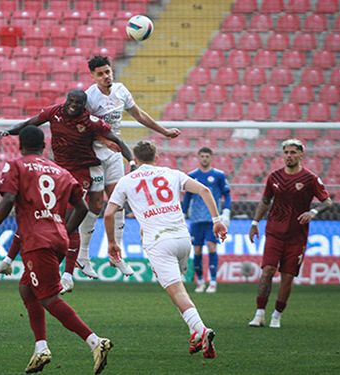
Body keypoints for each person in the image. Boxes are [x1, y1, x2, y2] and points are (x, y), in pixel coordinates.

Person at [0, 125, 112, 374]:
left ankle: (96, 342)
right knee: (26, 288)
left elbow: (9, 199)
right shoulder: (61, 171)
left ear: (20, 145)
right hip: (58, 239)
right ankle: (41, 348)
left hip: (36, 241)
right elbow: (83, 208)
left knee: (48, 298)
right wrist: (64, 229)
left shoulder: (16, 165)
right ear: (44, 146)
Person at [0, 89, 134, 284]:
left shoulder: (91, 121)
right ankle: (8, 261)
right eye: (70, 101)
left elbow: (117, 140)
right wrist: (8, 131)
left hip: (81, 173)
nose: (73, 105)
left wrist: (131, 162)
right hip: (57, 171)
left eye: (78, 102)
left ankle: (68, 274)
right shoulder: (54, 112)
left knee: (70, 219)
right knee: (37, 214)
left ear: (84, 105)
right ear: (66, 100)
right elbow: (30, 124)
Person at [104, 140, 226, 359]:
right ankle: (193, 333)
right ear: (156, 156)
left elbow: (108, 213)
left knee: (176, 291)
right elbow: (205, 190)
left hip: (159, 242)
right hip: (182, 238)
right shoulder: (173, 173)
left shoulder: (126, 181)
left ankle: (201, 330)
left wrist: (113, 242)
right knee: (179, 289)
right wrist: (217, 220)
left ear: (135, 159)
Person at [80, 55, 182, 278]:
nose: (106, 76)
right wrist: (103, 140)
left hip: (115, 152)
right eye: (100, 74)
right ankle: (83, 255)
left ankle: (116, 255)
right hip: (94, 153)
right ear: (93, 76)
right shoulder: (89, 97)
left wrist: (163, 131)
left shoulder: (121, 91)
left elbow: (138, 114)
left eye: (108, 71)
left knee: (117, 203)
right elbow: (82, 126)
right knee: (96, 204)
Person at [248, 139, 332, 329]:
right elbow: (265, 200)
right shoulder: (274, 177)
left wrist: (313, 212)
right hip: (274, 233)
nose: (289, 156)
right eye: (286, 152)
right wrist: (254, 223)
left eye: (293, 152)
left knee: (287, 276)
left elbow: (328, 202)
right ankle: (259, 313)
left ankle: (276, 315)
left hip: (297, 237)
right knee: (267, 270)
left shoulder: (310, 179)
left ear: (301, 154)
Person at [182, 147, 231, 293]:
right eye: (202, 156)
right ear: (198, 157)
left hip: (212, 219)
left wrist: (226, 212)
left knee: (211, 246)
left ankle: (213, 281)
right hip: (196, 219)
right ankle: (201, 281)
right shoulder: (191, 176)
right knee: (196, 250)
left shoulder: (218, 175)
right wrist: (183, 214)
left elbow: (227, 194)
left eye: (207, 156)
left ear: (211, 158)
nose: (204, 158)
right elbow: (187, 197)